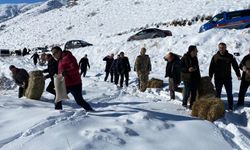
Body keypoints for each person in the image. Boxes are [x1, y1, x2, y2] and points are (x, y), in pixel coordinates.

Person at [51, 46, 94, 111]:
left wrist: (66, 72)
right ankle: (58, 113)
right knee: (58, 98)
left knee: (79, 101)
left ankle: (90, 110)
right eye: (52, 54)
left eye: (54, 53)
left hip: (74, 83)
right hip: (65, 84)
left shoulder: (68, 57)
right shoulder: (60, 60)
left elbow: (75, 68)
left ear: (59, 51)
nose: (53, 55)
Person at [209, 42, 241, 110]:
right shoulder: (215, 57)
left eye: (223, 48)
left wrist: (238, 74)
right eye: (220, 48)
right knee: (218, 94)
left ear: (225, 48)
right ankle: (217, 107)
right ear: (218, 48)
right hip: (218, 78)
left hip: (227, 78)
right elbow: (211, 68)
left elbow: (235, 66)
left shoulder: (230, 56)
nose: (221, 49)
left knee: (229, 93)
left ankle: (230, 106)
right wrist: (210, 77)